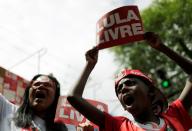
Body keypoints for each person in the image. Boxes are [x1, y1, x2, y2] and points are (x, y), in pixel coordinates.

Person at [67, 32, 192, 131]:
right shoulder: (118, 126)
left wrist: (162, 48)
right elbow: (74, 97)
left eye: (130, 83)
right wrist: (89, 65)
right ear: (123, 106)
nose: (124, 89)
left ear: (151, 93)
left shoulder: (174, 115)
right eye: (119, 90)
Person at [0, 74, 68, 131]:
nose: (41, 86)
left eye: (47, 85)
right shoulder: (7, 110)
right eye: (36, 84)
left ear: (56, 97)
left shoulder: (60, 128)